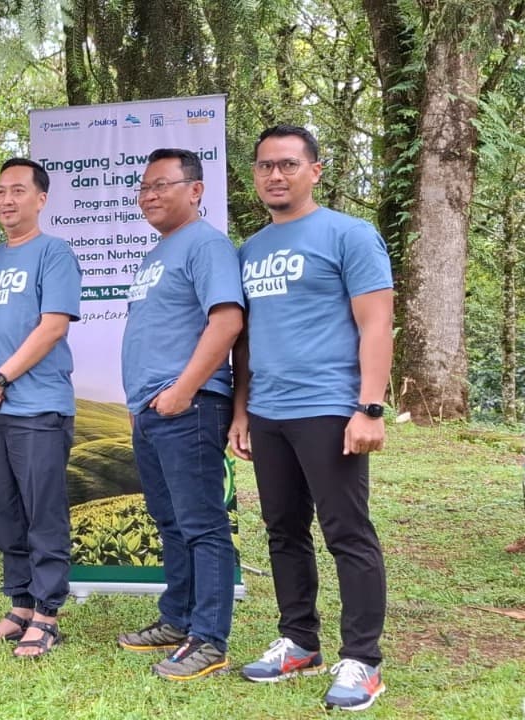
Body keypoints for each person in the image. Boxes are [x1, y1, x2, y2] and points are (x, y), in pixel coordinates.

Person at [229, 125, 392, 711]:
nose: (276, 174)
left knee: (347, 532)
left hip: (329, 407)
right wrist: (243, 411)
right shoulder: (248, 250)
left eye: (289, 164)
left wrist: (369, 407)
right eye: (265, 165)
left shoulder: (350, 235)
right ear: (254, 176)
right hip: (269, 412)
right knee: (283, 531)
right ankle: (299, 640)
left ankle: (363, 661)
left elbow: (376, 322)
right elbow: (243, 341)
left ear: (315, 171)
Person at [115, 149, 243, 680]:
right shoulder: (159, 252)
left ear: (195, 190)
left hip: (187, 405)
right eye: (143, 187)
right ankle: (178, 618)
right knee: (171, 523)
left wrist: (184, 390)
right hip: (153, 410)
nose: (149, 194)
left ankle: (209, 638)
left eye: (161, 184)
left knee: (201, 524)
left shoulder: (207, 244)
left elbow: (228, 320)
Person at [0, 158, 80, 658]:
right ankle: (20, 606)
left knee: (42, 512)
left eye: (17, 190)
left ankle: (48, 614)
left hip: (39, 407)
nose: (6, 200)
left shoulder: (55, 254)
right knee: (5, 512)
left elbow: (53, 326)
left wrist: (2, 377)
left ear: (40, 199)